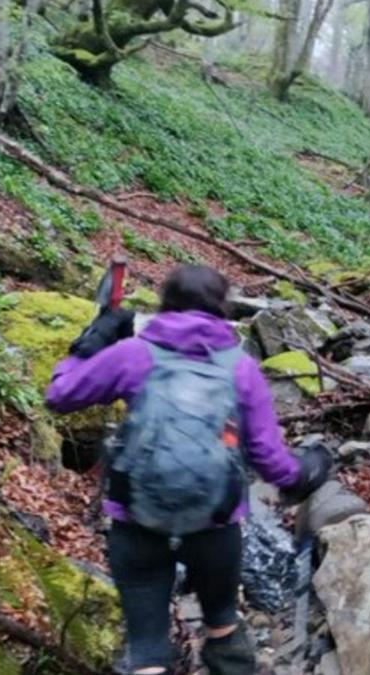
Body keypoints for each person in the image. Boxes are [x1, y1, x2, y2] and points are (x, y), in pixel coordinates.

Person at [45, 265, 331, 675]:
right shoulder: (240, 366)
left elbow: (59, 395)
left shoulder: (135, 354)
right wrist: (308, 471)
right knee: (221, 623)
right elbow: (270, 459)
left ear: (166, 303)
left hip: (136, 520)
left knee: (146, 645)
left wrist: (95, 339)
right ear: (221, 308)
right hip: (214, 526)